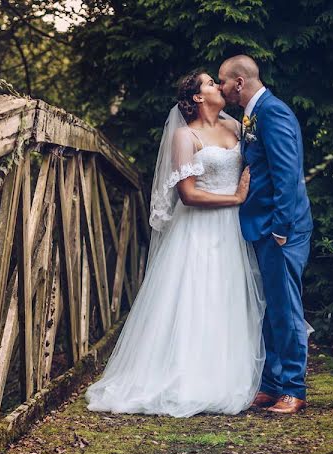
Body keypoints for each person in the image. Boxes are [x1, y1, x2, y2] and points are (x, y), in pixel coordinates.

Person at [84, 71, 266, 417]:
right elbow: (188, 194)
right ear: (198, 97)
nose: (218, 86)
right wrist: (237, 197)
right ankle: (185, 376)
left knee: (225, 295)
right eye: (211, 83)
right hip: (199, 228)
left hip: (231, 229)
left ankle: (223, 374)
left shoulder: (235, 128)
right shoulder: (185, 136)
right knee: (195, 296)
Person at [218, 55, 314, 414]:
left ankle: (293, 388)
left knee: (286, 306)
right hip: (263, 225)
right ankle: (272, 384)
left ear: (239, 82)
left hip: (282, 229)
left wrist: (280, 228)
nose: (220, 86)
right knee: (271, 306)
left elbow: (287, 175)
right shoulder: (253, 116)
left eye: (223, 81)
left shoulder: (272, 113)